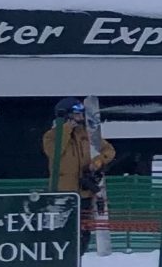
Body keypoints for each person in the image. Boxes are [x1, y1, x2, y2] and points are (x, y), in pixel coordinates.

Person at [41, 97, 116, 243]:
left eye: (82, 112)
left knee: (83, 229)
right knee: (62, 230)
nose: (81, 116)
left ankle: (80, 252)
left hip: (85, 191)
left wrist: (98, 161)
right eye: (77, 112)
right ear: (67, 115)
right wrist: (66, 129)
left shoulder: (86, 134)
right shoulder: (51, 136)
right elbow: (55, 153)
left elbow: (109, 150)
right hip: (63, 192)